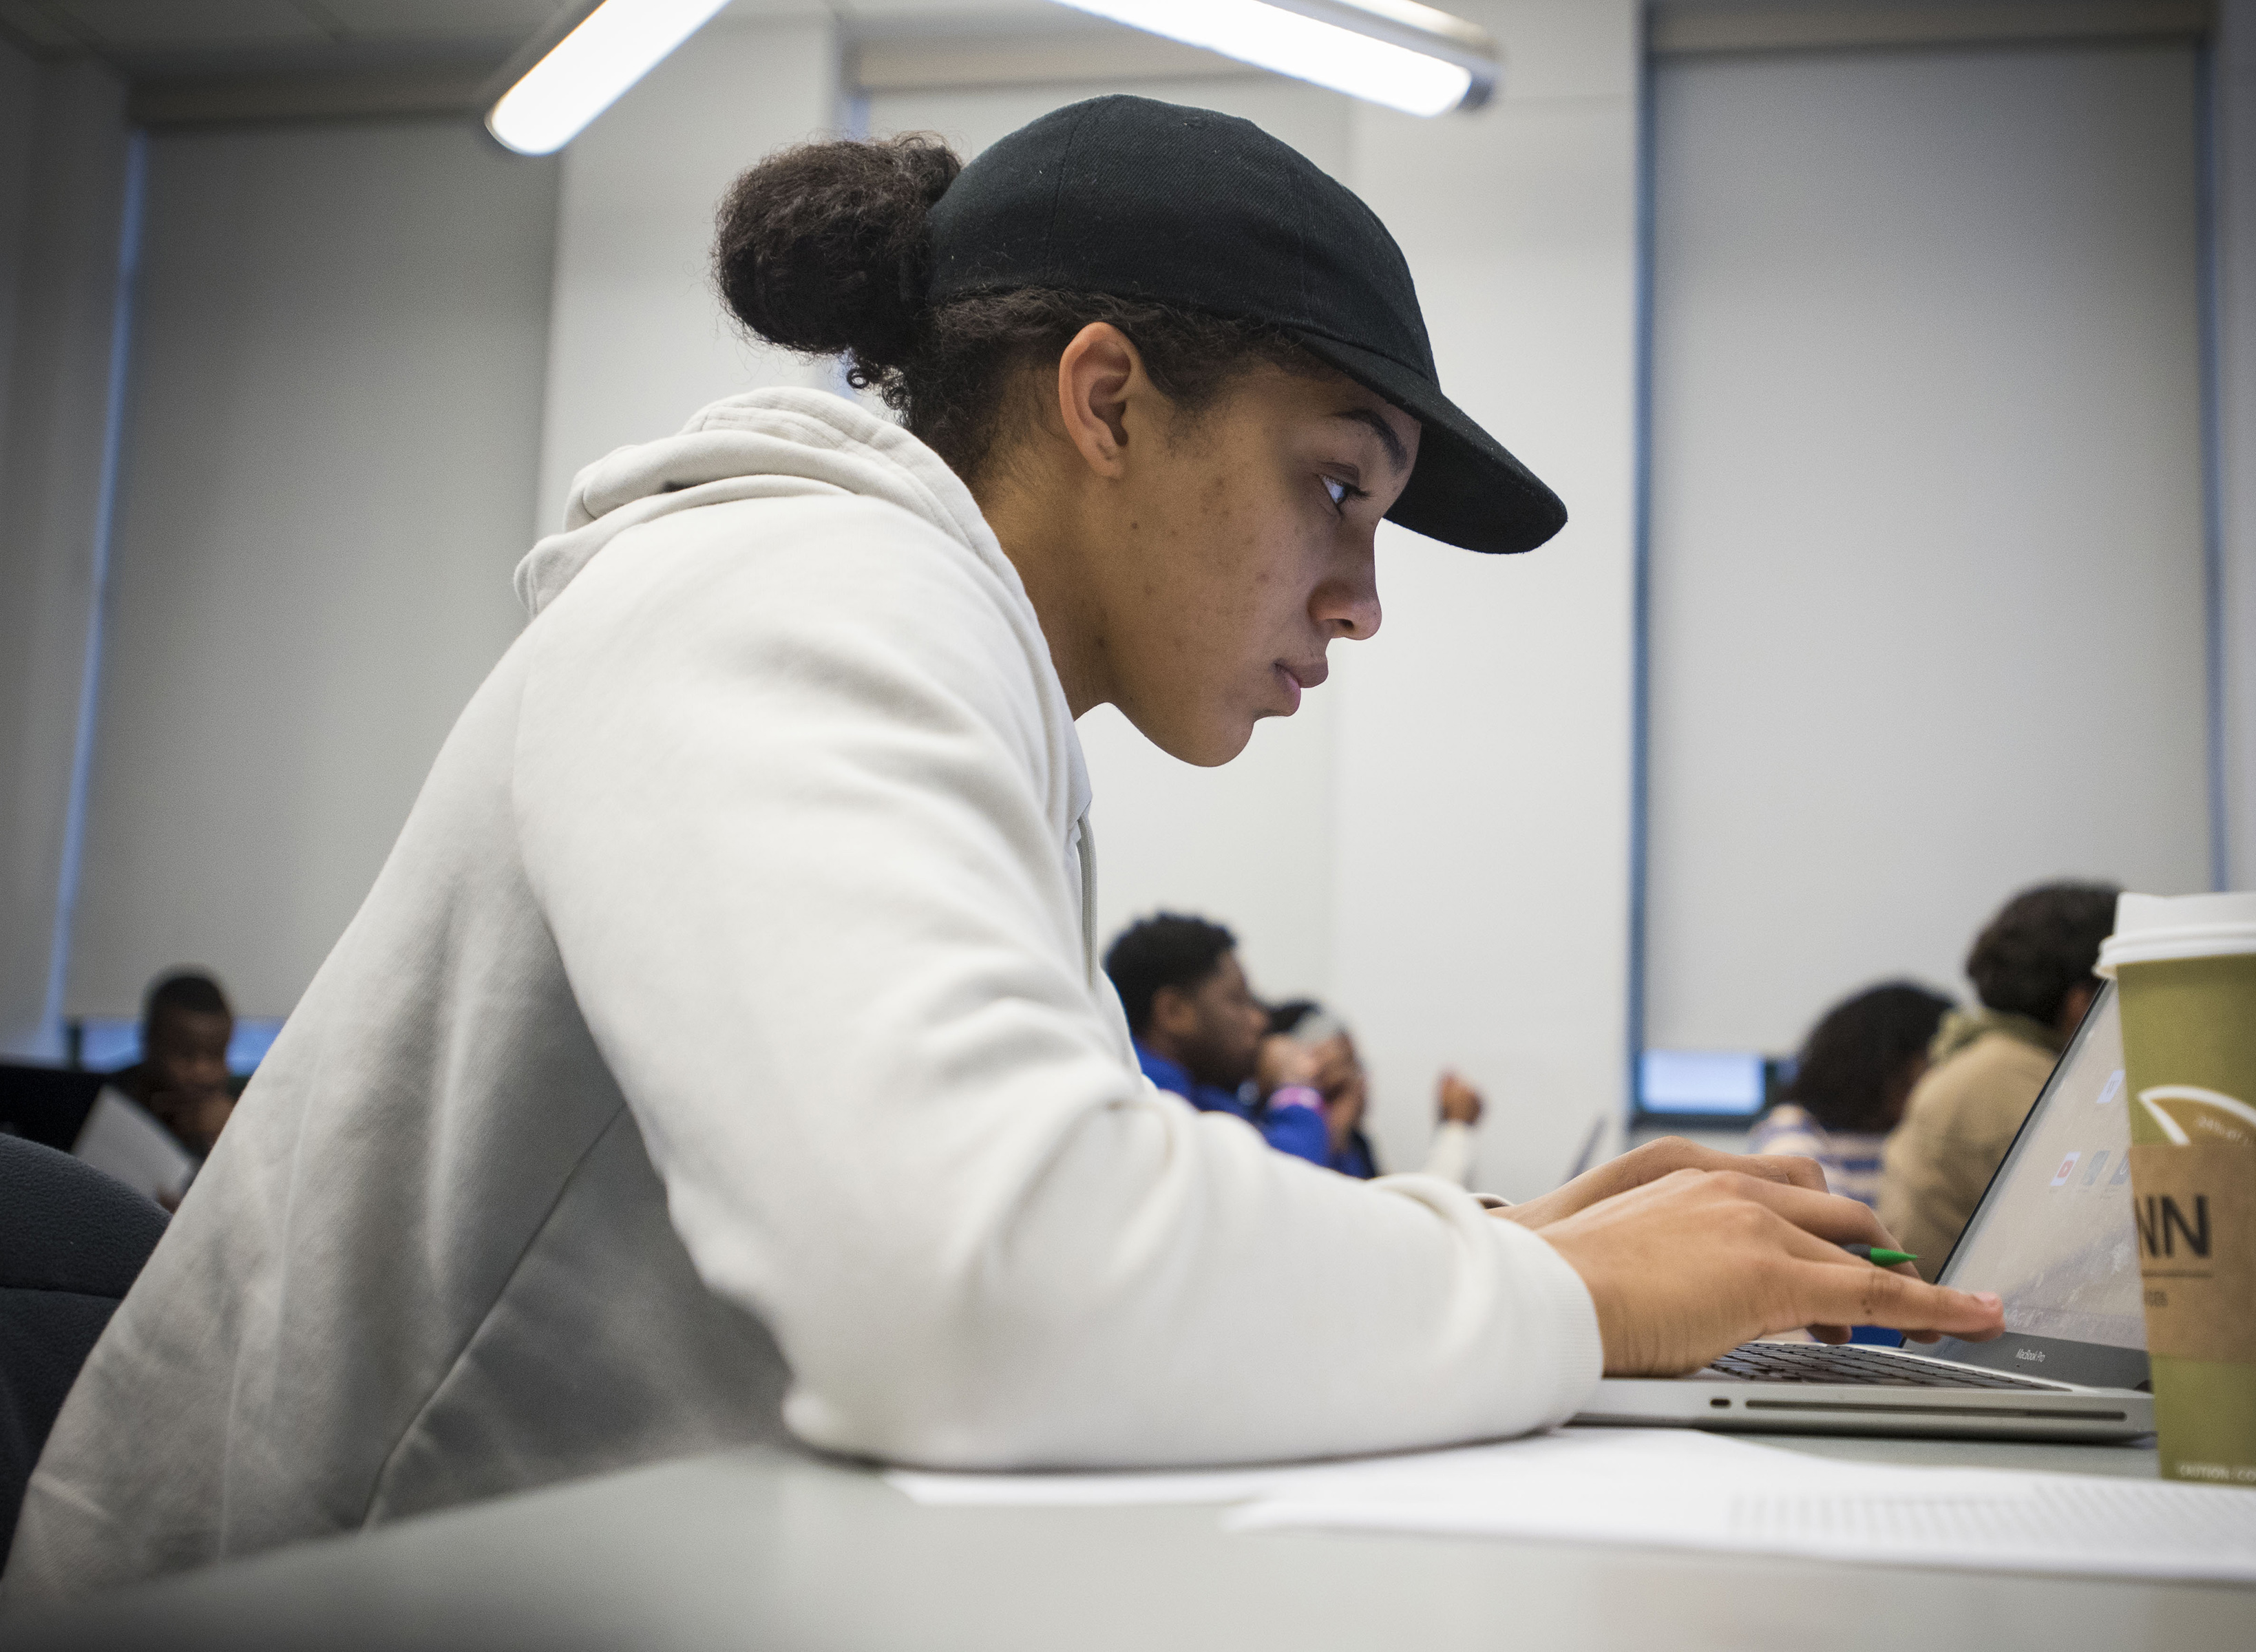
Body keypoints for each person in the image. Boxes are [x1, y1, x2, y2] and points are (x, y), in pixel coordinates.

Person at [8, 99, 2001, 1598]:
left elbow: (1033, 1205)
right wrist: (1580, 1307)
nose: (1361, 596)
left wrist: (1490, 1247)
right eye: (1336, 490)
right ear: (1107, 400)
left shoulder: (936, 652)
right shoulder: (796, 592)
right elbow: (974, 1280)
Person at [1878, 882, 2120, 1278]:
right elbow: (2101, 1242)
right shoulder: (2012, 1081)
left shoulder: (1981, 1056)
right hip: (1957, 1328)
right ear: (2082, 1003)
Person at [1103, 913, 1332, 1168]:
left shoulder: (1207, 1094)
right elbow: (1274, 1183)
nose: (1259, 1021)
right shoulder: (1142, 1104)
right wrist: (1294, 1089)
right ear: (1174, 1012)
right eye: (1238, 1000)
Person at [1747, 982, 1954, 1209]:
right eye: (1934, 1068)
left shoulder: (1912, 1137)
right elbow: (1829, 1231)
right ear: (1889, 1066)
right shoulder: (1794, 1131)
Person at [1260, 999, 1485, 1187]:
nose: (1361, 1083)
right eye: (1344, 1077)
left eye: (1358, 1066)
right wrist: (1456, 1130)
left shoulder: (1358, 1148)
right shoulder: (1274, 1138)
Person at [70, 971, 236, 1209]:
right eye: (185, 1055)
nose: (203, 1072)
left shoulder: (231, 1119)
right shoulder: (103, 1103)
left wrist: (231, 1142)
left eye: (218, 1054)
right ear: (148, 1041)